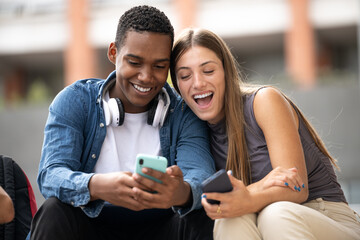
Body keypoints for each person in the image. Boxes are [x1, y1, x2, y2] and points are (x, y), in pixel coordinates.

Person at [29, 7, 215, 240]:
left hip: (160, 226)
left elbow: (201, 176)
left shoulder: (182, 112)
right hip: (92, 224)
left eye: (159, 66)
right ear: (113, 53)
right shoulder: (75, 101)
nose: (146, 76)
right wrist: (97, 186)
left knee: (201, 214)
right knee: (54, 211)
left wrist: (181, 192)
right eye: (135, 62)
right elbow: (51, 175)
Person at [170, 28, 360, 240]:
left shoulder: (263, 101)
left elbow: (297, 188)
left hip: (325, 216)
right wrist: (257, 189)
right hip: (261, 222)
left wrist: (247, 196)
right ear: (177, 85)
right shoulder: (194, 133)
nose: (197, 83)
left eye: (208, 71)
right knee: (229, 219)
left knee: (275, 214)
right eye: (185, 75)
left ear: (226, 72)